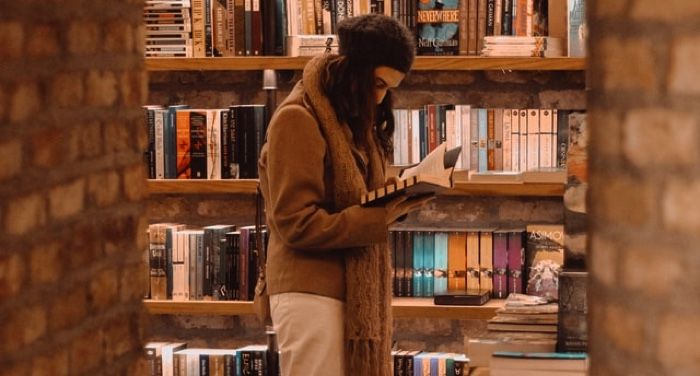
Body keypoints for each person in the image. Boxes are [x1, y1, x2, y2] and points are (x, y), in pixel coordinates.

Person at [258, 14, 430, 376]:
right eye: (378, 83)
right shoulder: (298, 119)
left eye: (389, 88)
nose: (381, 97)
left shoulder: (349, 122)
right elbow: (295, 222)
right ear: (355, 71)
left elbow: (349, 201)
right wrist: (374, 219)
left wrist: (396, 198)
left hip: (342, 294)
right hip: (310, 294)